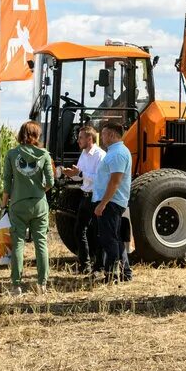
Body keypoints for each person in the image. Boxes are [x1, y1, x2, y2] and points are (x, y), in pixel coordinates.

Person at [1, 120, 54, 296]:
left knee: (18, 244)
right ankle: (42, 284)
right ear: (37, 135)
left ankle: (16, 285)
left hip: (18, 204)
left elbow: (7, 183)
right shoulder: (44, 154)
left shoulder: (12, 154)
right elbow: (50, 182)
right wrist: (39, 191)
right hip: (39, 204)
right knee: (41, 243)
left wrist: (4, 204)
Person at [60, 124, 104, 274]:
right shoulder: (83, 154)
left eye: (80, 138)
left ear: (89, 139)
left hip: (96, 197)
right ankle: (85, 266)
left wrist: (81, 174)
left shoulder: (100, 155)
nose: (77, 140)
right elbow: (80, 175)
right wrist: (72, 174)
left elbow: (100, 179)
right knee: (79, 230)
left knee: (98, 233)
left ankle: (99, 266)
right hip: (85, 196)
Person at [93, 120, 133, 283]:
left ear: (111, 135)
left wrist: (102, 204)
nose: (101, 137)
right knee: (114, 238)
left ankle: (111, 275)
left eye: (103, 134)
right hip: (110, 201)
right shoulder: (114, 152)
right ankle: (125, 273)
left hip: (111, 202)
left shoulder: (117, 154)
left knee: (109, 239)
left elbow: (115, 182)